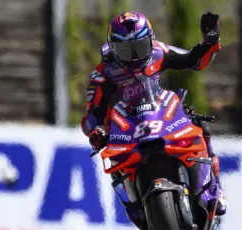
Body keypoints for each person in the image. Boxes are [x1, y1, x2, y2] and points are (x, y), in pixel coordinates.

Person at [80, 11, 227, 217]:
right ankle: (137, 207)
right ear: (113, 48)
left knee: (199, 124)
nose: (134, 57)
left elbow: (194, 60)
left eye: (139, 47)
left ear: (151, 39)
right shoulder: (103, 72)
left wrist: (210, 41)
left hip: (160, 115)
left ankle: (214, 186)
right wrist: (95, 131)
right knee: (115, 168)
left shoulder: (159, 51)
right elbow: (92, 113)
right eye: (125, 50)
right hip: (126, 130)